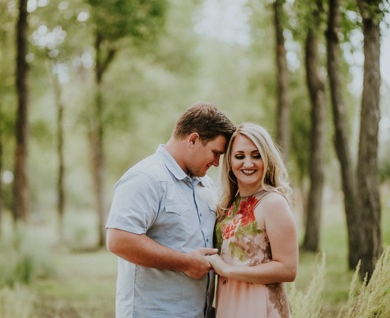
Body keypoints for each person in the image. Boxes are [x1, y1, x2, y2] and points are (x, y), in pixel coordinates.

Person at [106, 102, 236, 317]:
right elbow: (119, 239)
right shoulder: (146, 178)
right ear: (193, 140)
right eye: (215, 153)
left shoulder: (206, 186)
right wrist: (185, 263)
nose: (217, 163)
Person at [205, 123, 297, 318]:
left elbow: (288, 269)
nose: (248, 163)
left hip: (258, 307)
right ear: (229, 161)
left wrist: (228, 270)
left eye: (256, 156)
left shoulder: (273, 202)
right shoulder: (229, 204)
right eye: (240, 156)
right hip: (229, 304)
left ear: (267, 159)